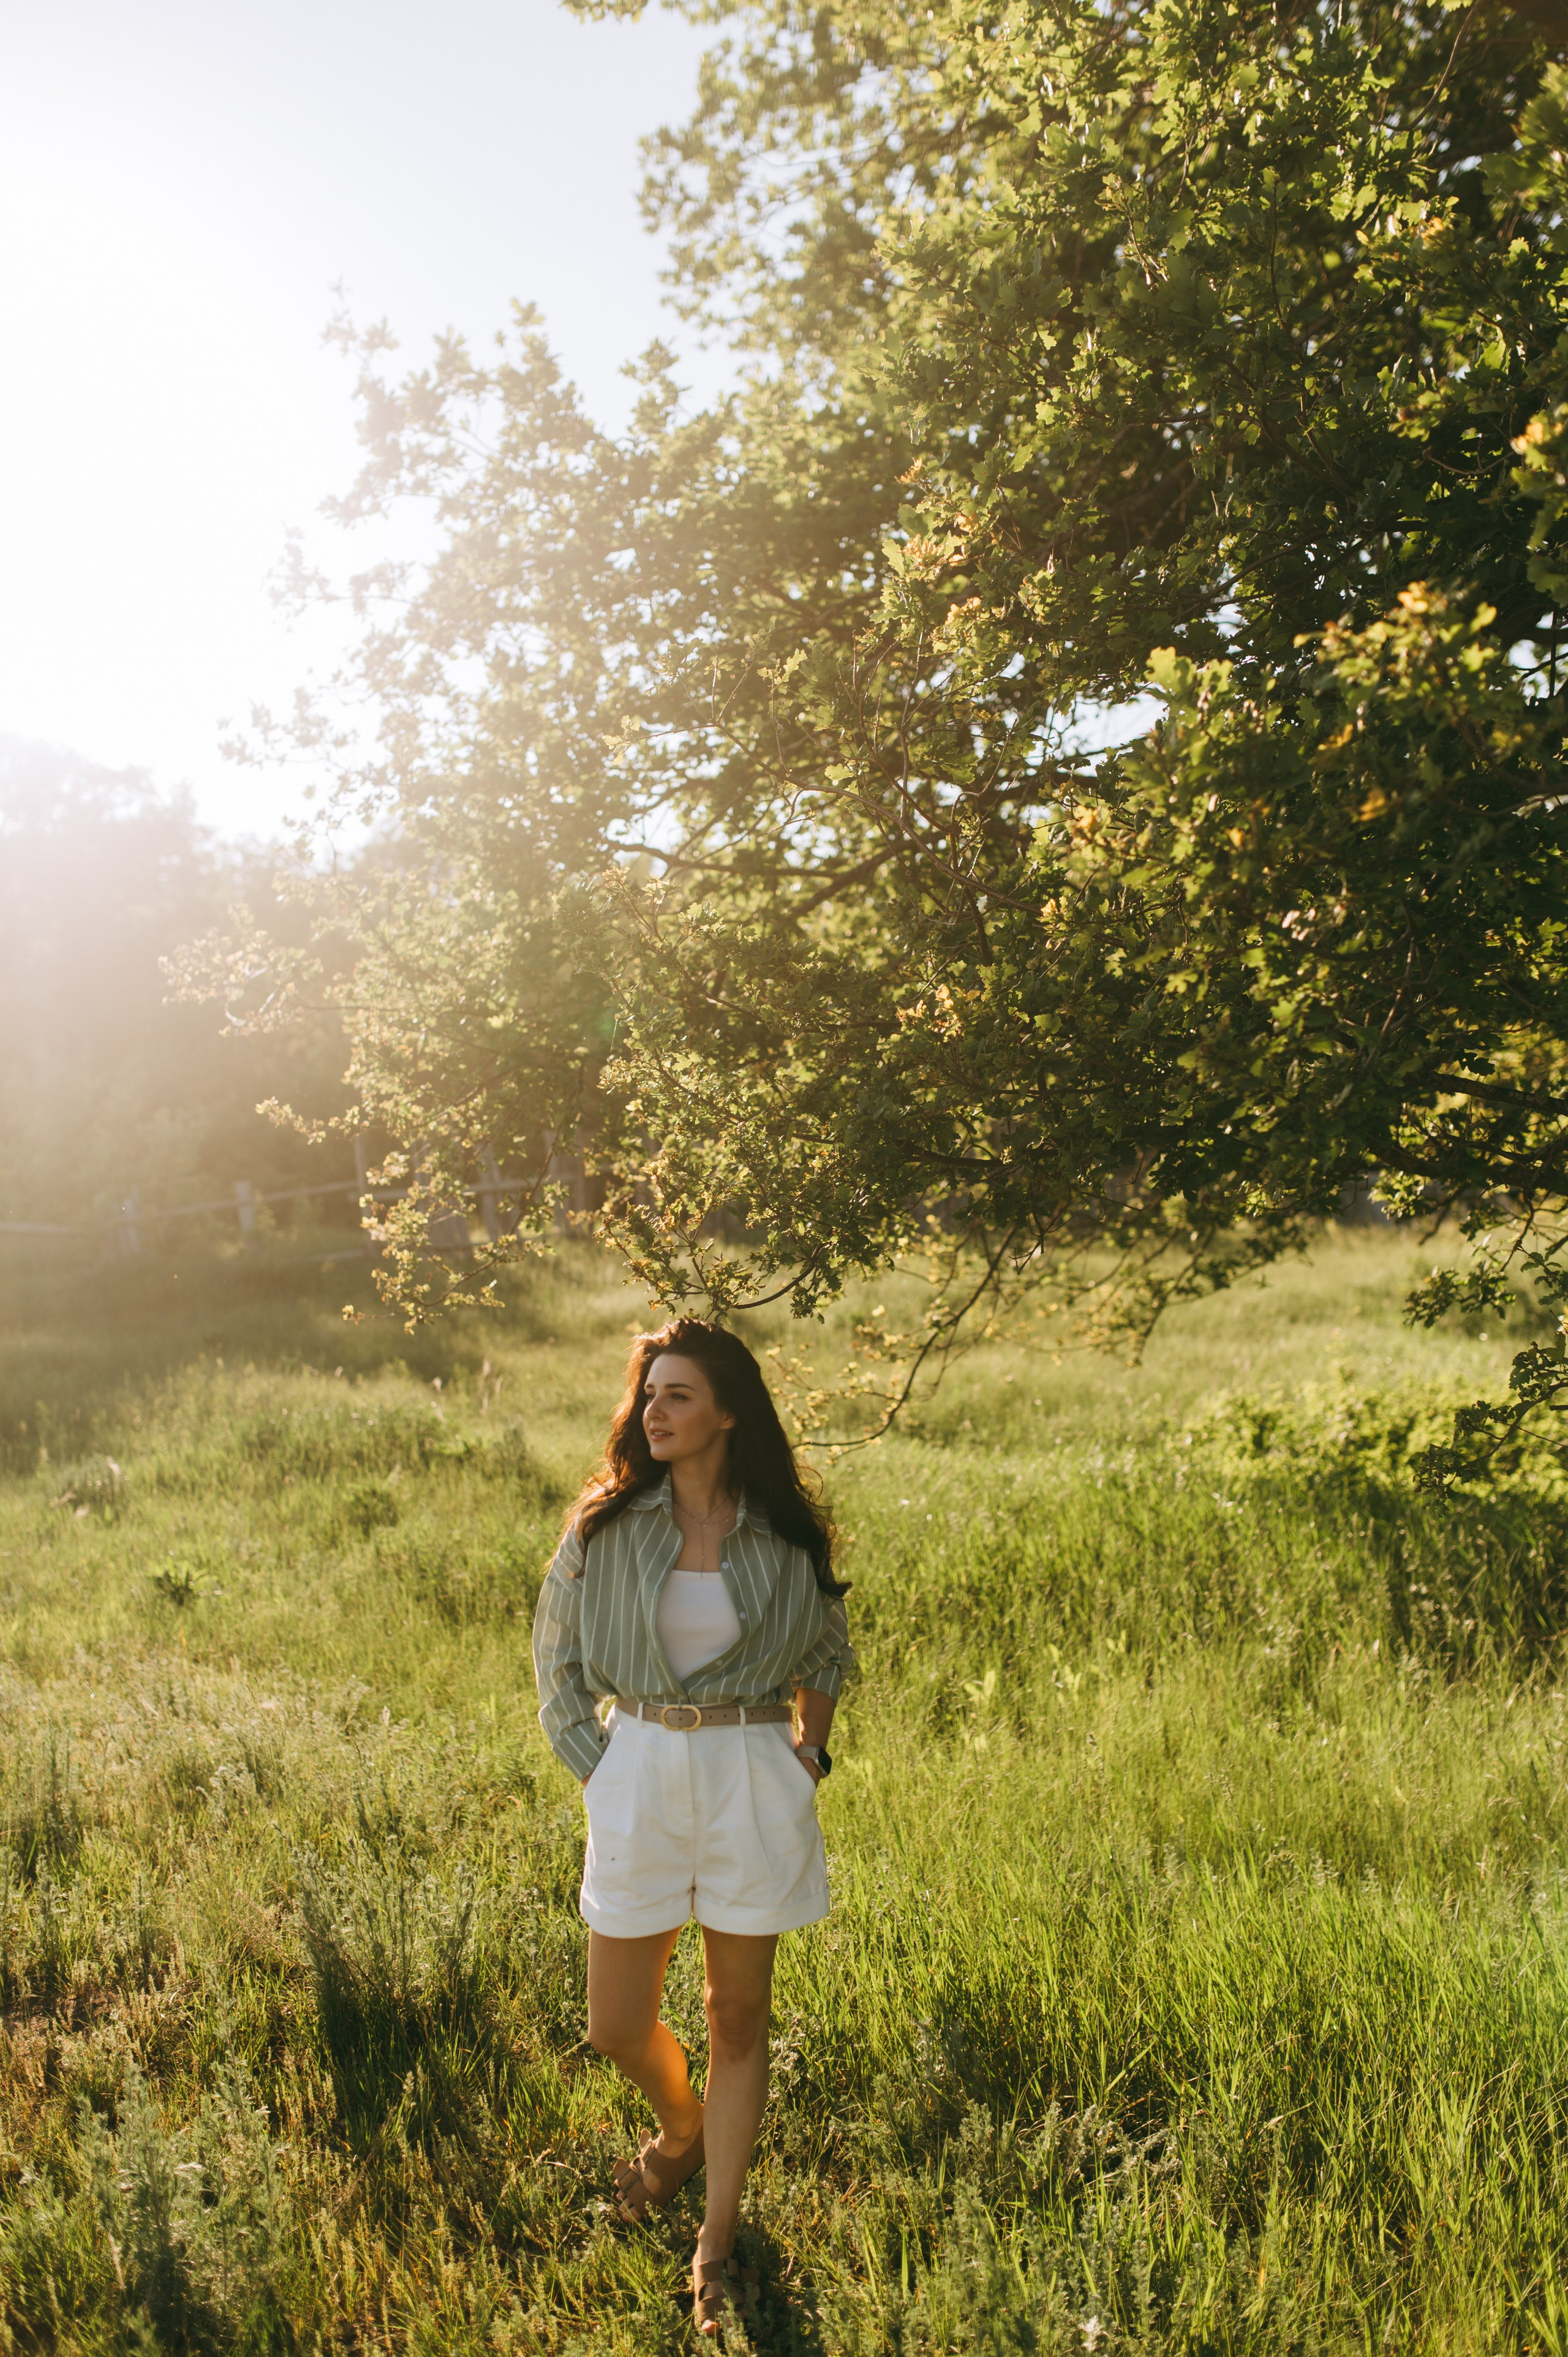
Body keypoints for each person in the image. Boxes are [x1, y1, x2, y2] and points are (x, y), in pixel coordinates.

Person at [532, 1316, 854, 2337]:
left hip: (752, 1775)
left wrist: (809, 1751)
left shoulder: (786, 1532)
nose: (654, 1412)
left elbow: (830, 1644)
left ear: (726, 1413)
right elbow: (557, 1667)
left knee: (736, 2016)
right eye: (648, 1395)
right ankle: (681, 2131)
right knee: (616, 2024)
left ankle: (715, 2241)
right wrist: (606, 1769)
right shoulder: (605, 1527)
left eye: (678, 1396)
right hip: (641, 1767)